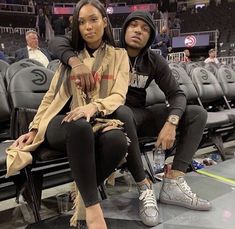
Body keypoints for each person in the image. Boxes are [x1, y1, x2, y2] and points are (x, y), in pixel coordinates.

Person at [48, 10, 212, 226]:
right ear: (124, 29)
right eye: (133, 25)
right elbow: (57, 42)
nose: (138, 31)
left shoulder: (154, 60)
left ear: (150, 37)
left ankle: (174, 181)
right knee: (122, 111)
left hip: (140, 114)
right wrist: (75, 62)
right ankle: (144, 185)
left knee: (197, 114)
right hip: (112, 115)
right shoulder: (111, 51)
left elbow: (177, 94)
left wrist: (172, 121)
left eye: (145, 29)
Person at [6, 1, 131, 228]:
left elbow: (119, 95)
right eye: (82, 22)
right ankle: (92, 210)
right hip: (59, 125)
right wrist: (34, 129)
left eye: (93, 20)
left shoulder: (119, 55)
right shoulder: (69, 59)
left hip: (96, 119)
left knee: (118, 140)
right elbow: (50, 98)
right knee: (78, 124)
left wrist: (93, 107)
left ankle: (84, 191)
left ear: (104, 21)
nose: (88, 27)